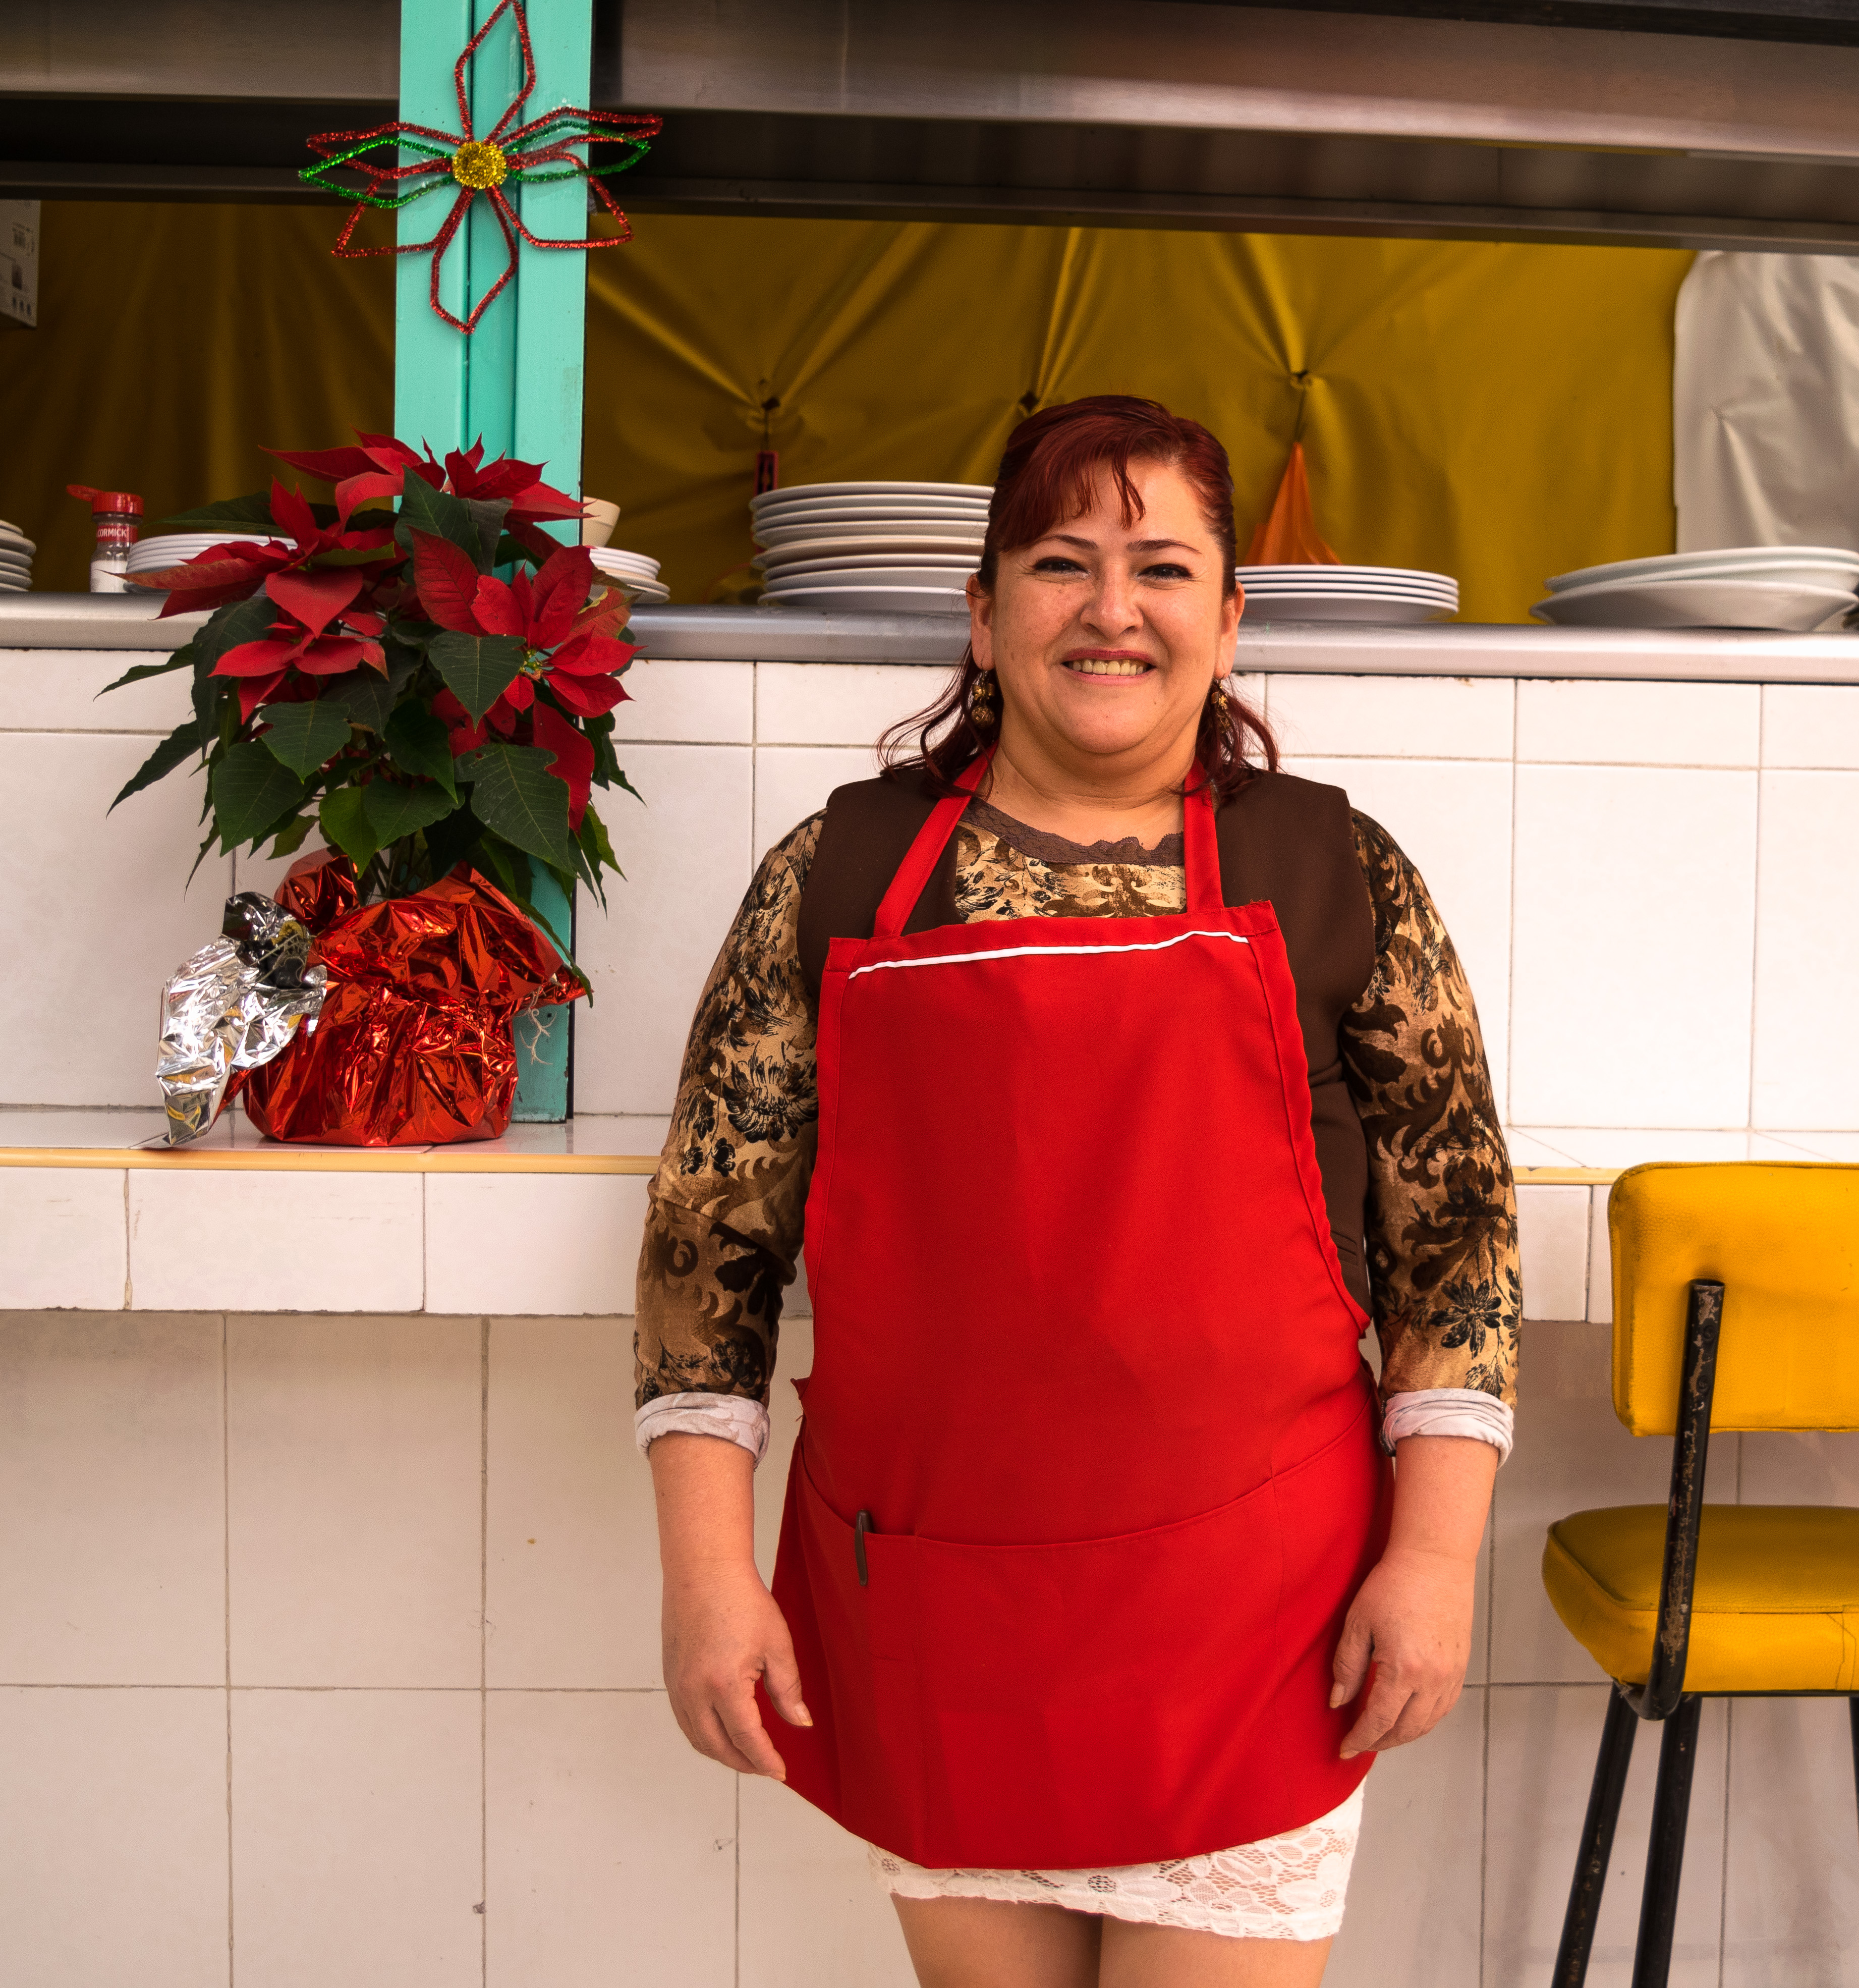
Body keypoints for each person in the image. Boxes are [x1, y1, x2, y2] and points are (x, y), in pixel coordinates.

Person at [639, 394, 1519, 1986]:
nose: (1113, 610)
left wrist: (1438, 1556)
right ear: (983, 616)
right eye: (1061, 562)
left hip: (1259, 1611)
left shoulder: (1337, 876)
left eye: (1163, 567)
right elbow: (711, 1246)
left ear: (1231, 618)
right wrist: (706, 1576)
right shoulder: (836, 877)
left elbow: (1457, 1242)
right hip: (936, 1601)